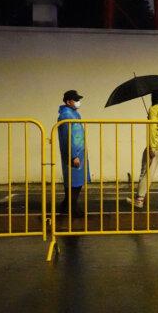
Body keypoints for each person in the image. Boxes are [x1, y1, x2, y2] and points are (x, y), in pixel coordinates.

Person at [128, 90, 158, 211]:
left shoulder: (153, 109)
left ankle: (139, 199)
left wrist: (151, 147)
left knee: (147, 173)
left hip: (157, 146)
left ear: (153, 97)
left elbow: (152, 129)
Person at [57, 90, 91, 218]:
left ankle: (66, 205)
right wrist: (74, 155)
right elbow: (70, 137)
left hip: (77, 151)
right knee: (75, 182)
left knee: (74, 181)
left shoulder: (72, 114)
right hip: (75, 153)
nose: (78, 102)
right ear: (68, 101)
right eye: (75, 100)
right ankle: (72, 207)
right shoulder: (67, 115)